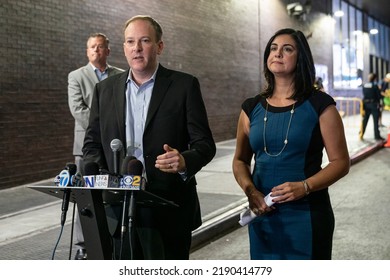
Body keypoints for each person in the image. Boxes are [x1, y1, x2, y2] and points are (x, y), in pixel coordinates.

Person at [82, 15, 216, 260]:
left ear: (159, 46)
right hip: (118, 209)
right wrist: (101, 177)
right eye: (131, 42)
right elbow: (91, 144)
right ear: (124, 48)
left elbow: (205, 144)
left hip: (167, 209)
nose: (137, 48)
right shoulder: (105, 90)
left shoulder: (184, 86)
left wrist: (185, 161)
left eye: (145, 41)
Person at [232, 28, 350, 260]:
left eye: (287, 49)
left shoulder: (321, 105)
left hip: (307, 215)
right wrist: (250, 190)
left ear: (301, 58)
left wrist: (304, 186)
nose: (278, 53)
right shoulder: (251, 108)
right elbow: (240, 160)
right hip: (263, 214)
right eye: (273, 49)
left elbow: (341, 162)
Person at [67, 33, 124, 259]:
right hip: (86, 147)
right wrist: (102, 130)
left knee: (112, 193)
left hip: (116, 150)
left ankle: (112, 236)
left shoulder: (120, 75)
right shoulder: (76, 76)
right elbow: (77, 109)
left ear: (108, 51)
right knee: (86, 196)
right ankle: (83, 244)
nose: (96, 50)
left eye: (100, 47)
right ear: (87, 51)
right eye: (92, 47)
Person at [359, 73, 384, 141]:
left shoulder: (365, 85)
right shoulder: (375, 86)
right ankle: (377, 136)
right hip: (374, 105)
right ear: (375, 78)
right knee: (375, 121)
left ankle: (361, 133)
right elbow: (379, 96)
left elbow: (364, 94)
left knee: (365, 120)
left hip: (366, 104)